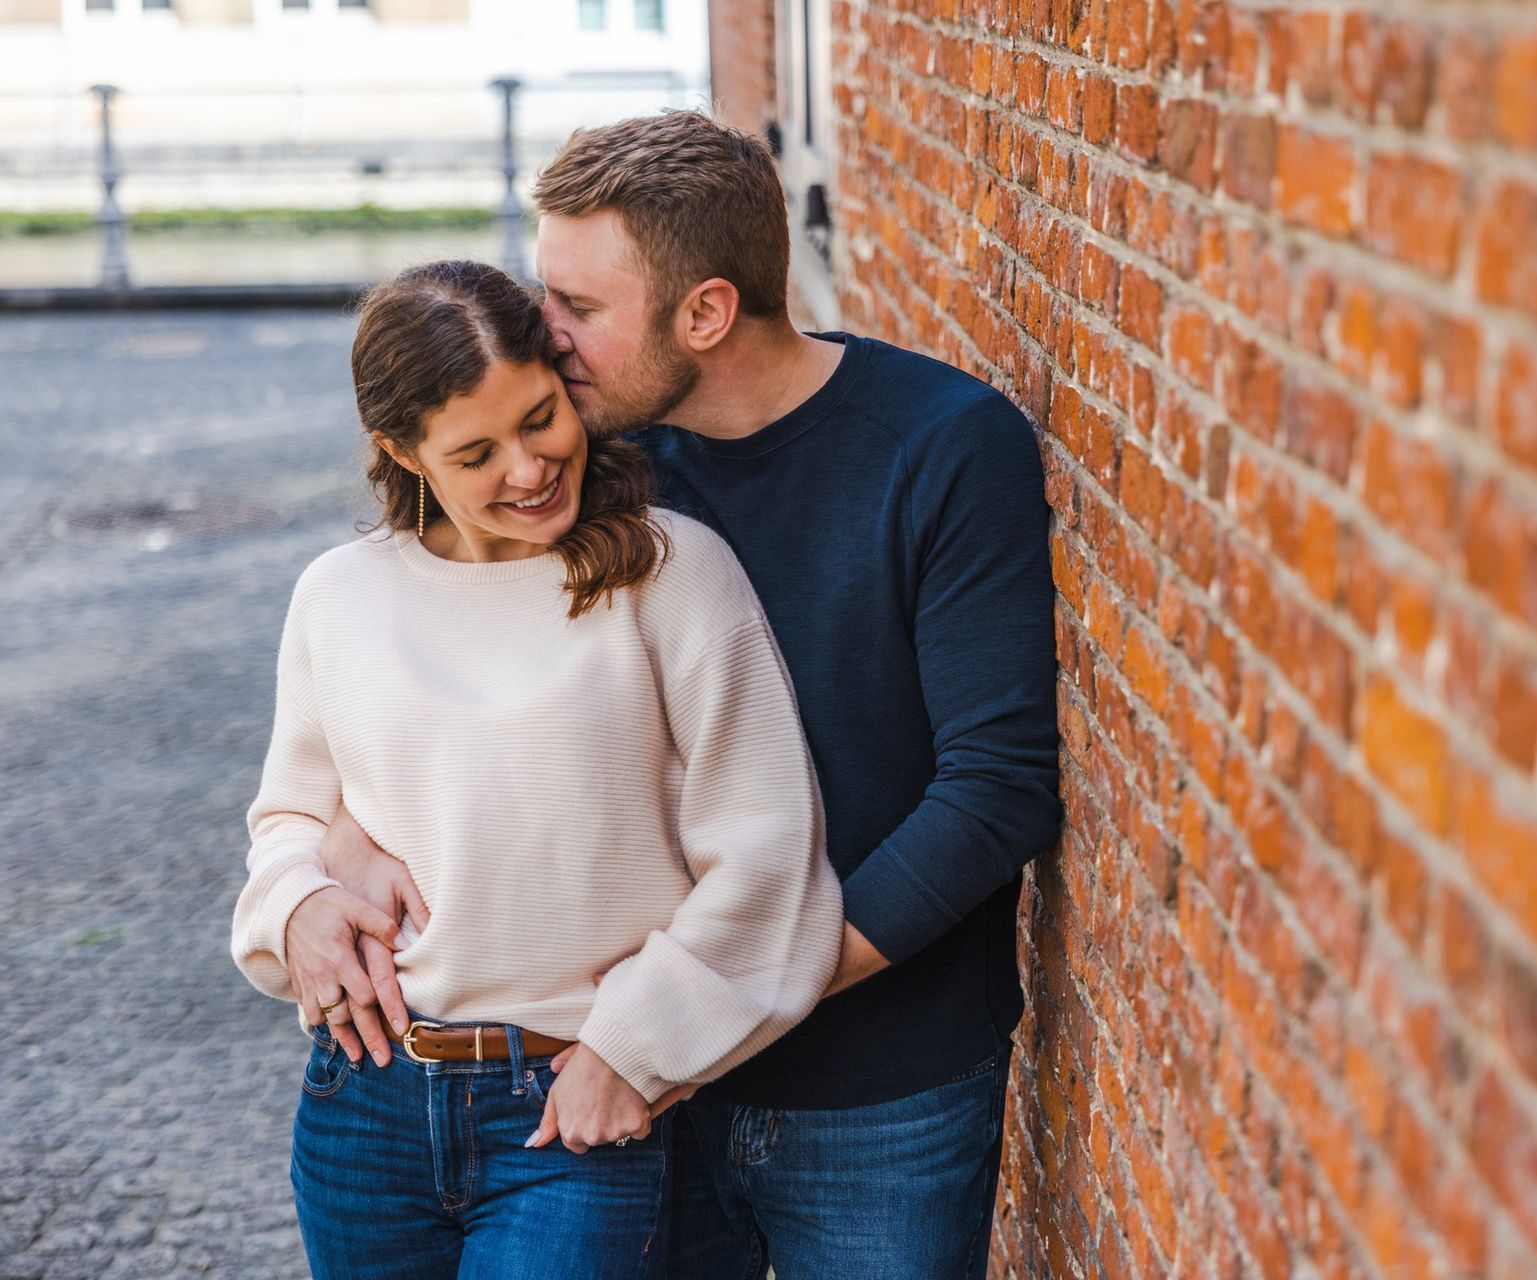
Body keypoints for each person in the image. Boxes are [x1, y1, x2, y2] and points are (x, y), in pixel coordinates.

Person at [320, 111, 1062, 1277]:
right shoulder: (593, 471)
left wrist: (709, 1002)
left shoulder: (943, 446)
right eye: (542, 292)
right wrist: (344, 837)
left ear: (705, 312)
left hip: (873, 1086)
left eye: (577, 308)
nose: (541, 337)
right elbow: (450, 695)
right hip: (619, 1096)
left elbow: (996, 791)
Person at [230, 259, 844, 1280]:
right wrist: (294, 903)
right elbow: (290, 814)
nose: (528, 467)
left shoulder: (670, 571)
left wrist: (631, 1048)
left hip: (570, 1104)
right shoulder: (338, 595)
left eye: (542, 417)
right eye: (476, 451)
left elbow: (769, 849)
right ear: (403, 451)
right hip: (364, 1101)